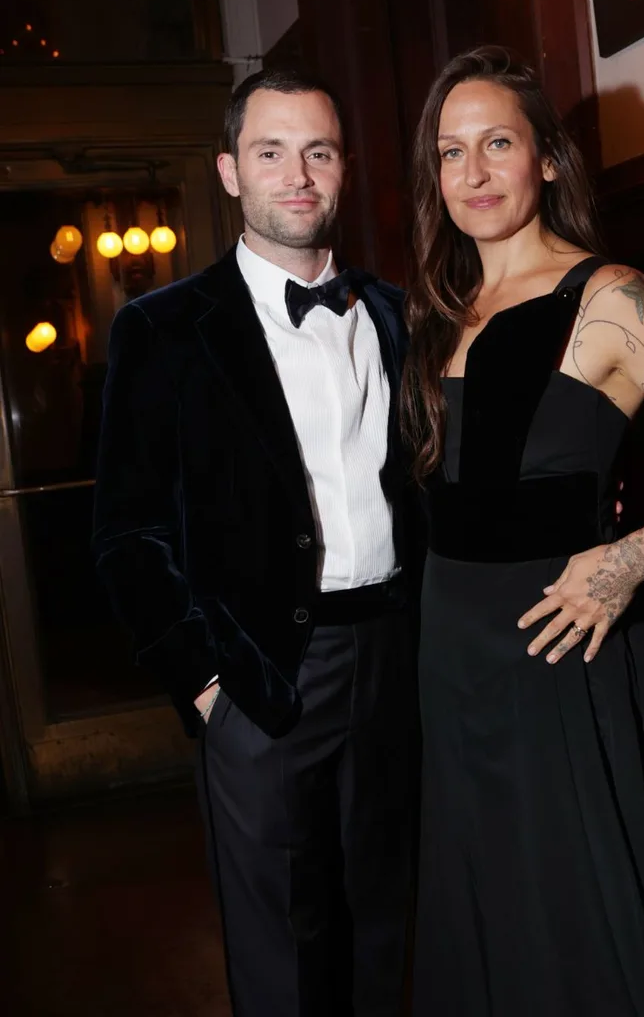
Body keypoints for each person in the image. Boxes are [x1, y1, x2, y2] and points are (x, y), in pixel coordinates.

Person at [402, 45, 644, 1017]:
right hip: (451, 658)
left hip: (558, 648)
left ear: (546, 160)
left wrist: (629, 559)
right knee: (486, 920)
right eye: (452, 153)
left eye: (498, 143)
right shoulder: (443, 310)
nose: (475, 173)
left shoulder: (609, 297)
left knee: (571, 936)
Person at [92, 67, 416, 1017]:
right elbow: (125, 535)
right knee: (283, 941)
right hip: (261, 668)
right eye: (270, 152)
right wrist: (207, 684)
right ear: (230, 171)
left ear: (344, 169)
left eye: (318, 151)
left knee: (388, 919)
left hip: (395, 657)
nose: (297, 175)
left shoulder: (397, 314)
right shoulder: (162, 330)